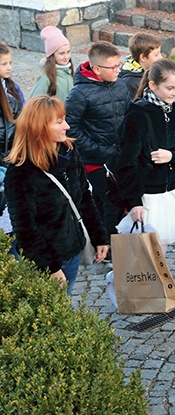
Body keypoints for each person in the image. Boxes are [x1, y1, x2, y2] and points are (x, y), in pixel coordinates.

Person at [110, 59, 175, 326]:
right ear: (153, 85)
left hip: (174, 191)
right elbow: (125, 162)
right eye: (169, 88)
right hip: (148, 194)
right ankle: (117, 278)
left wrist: (172, 155)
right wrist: (134, 201)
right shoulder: (137, 116)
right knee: (153, 249)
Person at [4, 95, 108, 294]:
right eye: (59, 122)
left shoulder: (68, 150)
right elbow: (25, 227)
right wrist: (50, 267)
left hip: (72, 248)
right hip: (47, 257)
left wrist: (98, 236)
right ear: (39, 127)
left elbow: (84, 197)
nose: (67, 126)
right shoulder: (20, 171)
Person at [65, 40, 131, 238]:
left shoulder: (120, 86)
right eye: (113, 67)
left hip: (118, 157)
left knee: (116, 201)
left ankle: (109, 241)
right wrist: (98, 150)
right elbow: (70, 128)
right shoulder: (79, 94)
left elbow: (129, 116)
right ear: (97, 69)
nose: (118, 70)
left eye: (119, 65)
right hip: (94, 161)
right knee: (109, 200)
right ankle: (107, 243)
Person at [0, 42, 25, 257]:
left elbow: (19, 133)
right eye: (4, 64)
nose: (9, 68)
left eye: (10, 62)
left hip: (8, 169)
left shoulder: (12, 94)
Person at [29, 26, 74, 102]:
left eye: (68, 52)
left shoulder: (69, 72)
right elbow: (34, 102)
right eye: (61, 53)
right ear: (52, 55)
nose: (66, 56)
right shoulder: (45, 77)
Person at [119, 32, 163, 98]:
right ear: (143, 57)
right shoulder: (130, 83)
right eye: (156, 55)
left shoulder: (150, 73)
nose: (161, 57)